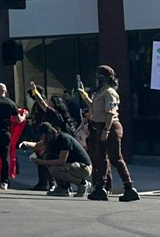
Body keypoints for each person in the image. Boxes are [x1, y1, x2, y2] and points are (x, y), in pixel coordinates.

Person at [87, 64, 139, 201]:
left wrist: (106, 130)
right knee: (102, 158)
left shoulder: (110, 92)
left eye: (99, 77)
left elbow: (110, 112)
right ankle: (100, 187)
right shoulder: (101, 91)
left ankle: (129, 187)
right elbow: (95, 108)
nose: (97, 80)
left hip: (109, 127)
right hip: (100, 127)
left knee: (116, 157)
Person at [28, 122, 92, 196]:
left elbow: (61, 161)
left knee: (54, 170)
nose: (40, 138)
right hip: (72, 166)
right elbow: (36, 145)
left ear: (47, 134)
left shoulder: (63, 139)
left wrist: (41, 162)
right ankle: (63, 187)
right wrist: (25, 144)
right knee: (47, 157)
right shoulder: (51, 139)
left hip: (84, 167)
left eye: (42, 136)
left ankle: (82, 183)